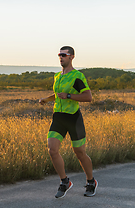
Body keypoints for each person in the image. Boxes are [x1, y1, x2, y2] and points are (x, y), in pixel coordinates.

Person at [39, 46, 98, 198]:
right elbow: (59, 95)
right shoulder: (58, 76)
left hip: (73, 118)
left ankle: (91, 181)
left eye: (64, 55)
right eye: (59, 55)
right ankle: (65, 181)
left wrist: (70, 96)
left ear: (71, 57)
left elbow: (87, 97)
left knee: (79, 153)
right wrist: (46, 99)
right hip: (58, 117)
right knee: (52, 150)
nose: (61, 57)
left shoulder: (77, 76)